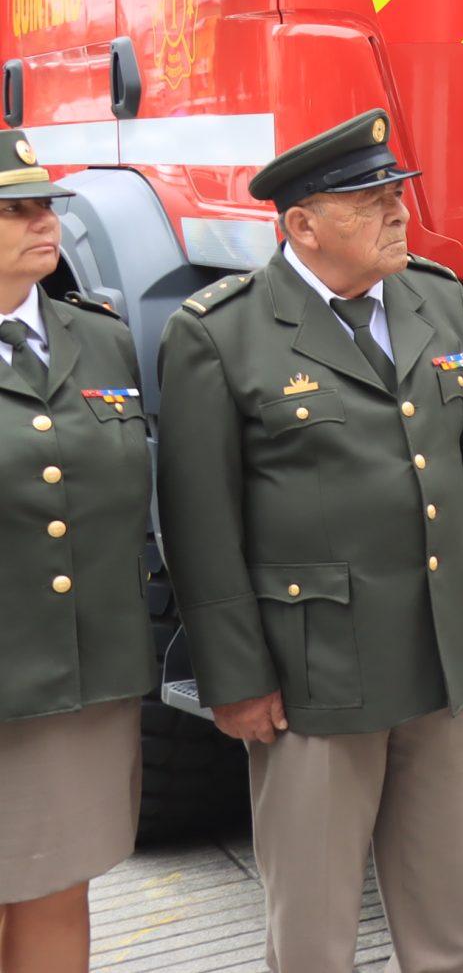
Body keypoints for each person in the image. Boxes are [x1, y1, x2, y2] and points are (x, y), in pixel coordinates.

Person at [157, 110, 463, 973]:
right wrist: (236, 674)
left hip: (442, 647)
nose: (398, 212)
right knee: (316, 912)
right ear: (302, 224)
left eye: (398, 193)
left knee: (453, 896)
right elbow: (197, 523)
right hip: (314, 664)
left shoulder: (435, 296)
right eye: (370, 200)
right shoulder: (222, 331)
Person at [0, 132, 152, 973]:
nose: (40, 222)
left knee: (61, 886)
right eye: (13, 209)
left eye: (44, 205)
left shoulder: (99, 338)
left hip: (84, 676)